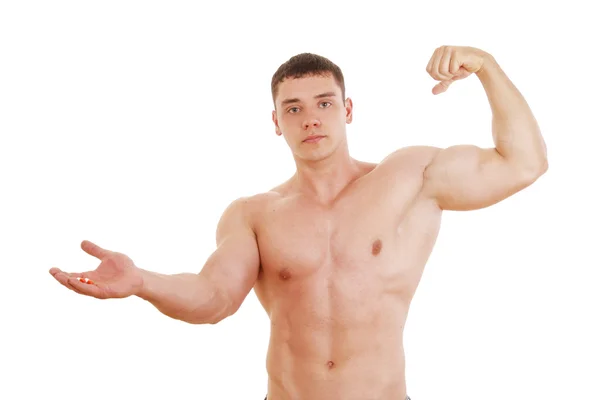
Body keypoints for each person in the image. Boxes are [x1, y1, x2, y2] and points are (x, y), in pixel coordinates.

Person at [49, 45, 548, 400]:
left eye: (324, 104)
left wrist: (487, 67)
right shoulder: (255, 213)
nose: (311, 119)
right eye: (294, 108)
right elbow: (214, 299)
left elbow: (524, 163)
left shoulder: (409, 178)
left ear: (347, 110)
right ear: (276, 122)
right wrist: (141, 282)